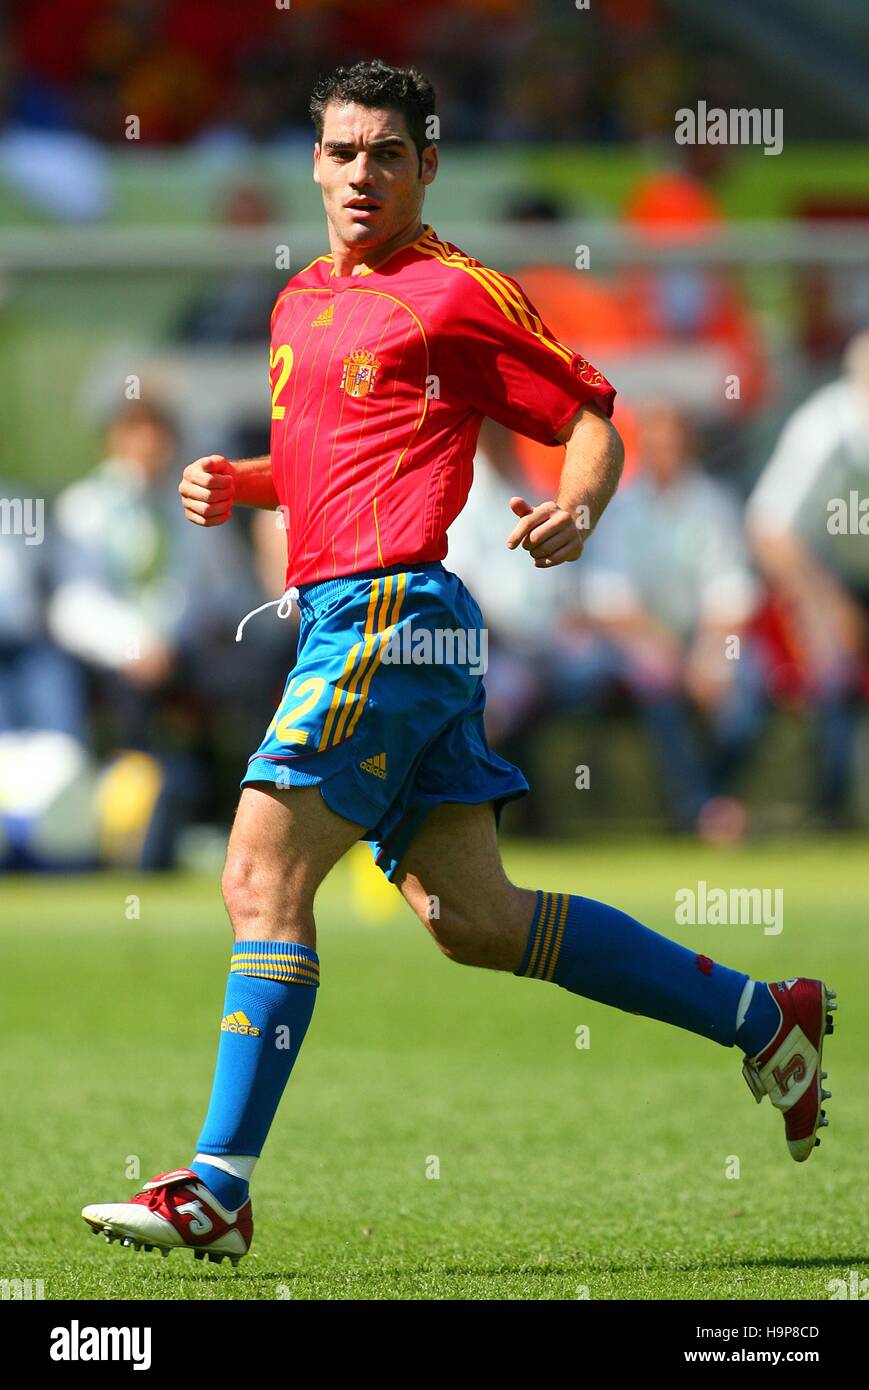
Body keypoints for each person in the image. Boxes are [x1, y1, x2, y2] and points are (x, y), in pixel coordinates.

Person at [82, 61, 836, 1267]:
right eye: (340, 151)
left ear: (426, 165)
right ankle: (760, 1017)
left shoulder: (460, 295)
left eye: (386, 152)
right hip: (356, 613)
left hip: (393, 609)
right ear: (314, 164)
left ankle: (217, 1183)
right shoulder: (295, 306)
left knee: (257, 872)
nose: (360, 173)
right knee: (475, 920)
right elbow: (328, 456)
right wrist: (242, 482)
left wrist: (579, 511)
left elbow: (590, 414)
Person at [577, 403, 765, 841]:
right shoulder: (620, 509)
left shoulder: (714, 505)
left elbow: (731, 592)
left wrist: (709, 656)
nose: (666, 454)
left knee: (748, 694)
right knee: (657, 681)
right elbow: (611, 602)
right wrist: (679, 658)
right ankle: (702, 808)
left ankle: (712, 803)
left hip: (705, 638)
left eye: (674, 444)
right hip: (641, 643)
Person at [747, 331, 869, 824]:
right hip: (828, 578)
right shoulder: (824, 427)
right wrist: (823, 603)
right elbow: (768, 528)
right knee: (831, 676)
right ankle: (831, 813)